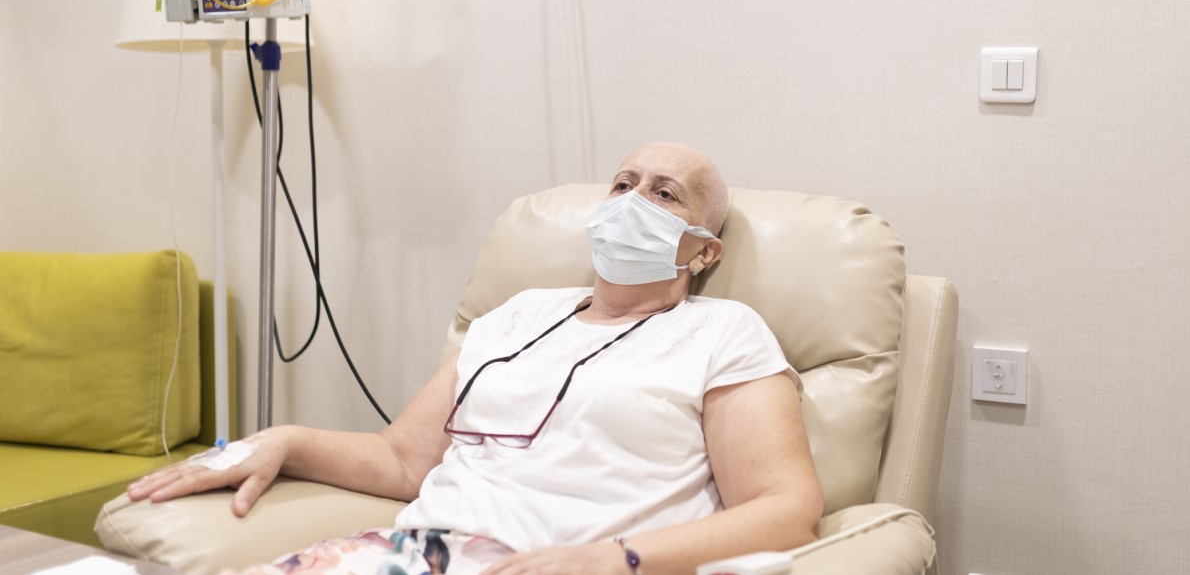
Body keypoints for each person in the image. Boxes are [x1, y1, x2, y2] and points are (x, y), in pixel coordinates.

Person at [128, 142, 824, 575]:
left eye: (663, 193)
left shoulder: (724, 332)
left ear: (704, 251)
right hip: (414, 555)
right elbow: (403, 459)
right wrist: (283, 439)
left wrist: (618, 558)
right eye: (622, 183)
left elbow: (785, 506)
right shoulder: (518, 313)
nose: (631, 200)